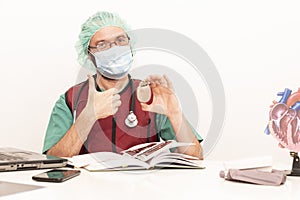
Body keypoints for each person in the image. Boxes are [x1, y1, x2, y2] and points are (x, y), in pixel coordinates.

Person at [42, 11, 203, 159]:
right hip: (88, 189)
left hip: (142, 188)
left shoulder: (152, 96)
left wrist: (174, 113)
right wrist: (88, 116)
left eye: (120, 40)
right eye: (102, 44)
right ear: (89, 55)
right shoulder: (70, 100)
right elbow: (53, 162)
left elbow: (195, 158)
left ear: (130, 46)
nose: (114, 49)